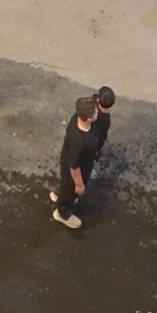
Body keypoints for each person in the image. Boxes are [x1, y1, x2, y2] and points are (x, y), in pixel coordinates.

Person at [55, 92, 100, 228]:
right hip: (75, 171)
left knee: (65, 187)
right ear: (89, 119)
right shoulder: (79, 141)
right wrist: (79, 185)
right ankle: (62, 212)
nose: (97, 112)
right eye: (95, 112)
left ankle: (59, 194)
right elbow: (74, 166)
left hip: (71, 160)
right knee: (69, 191)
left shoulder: (77, 117)